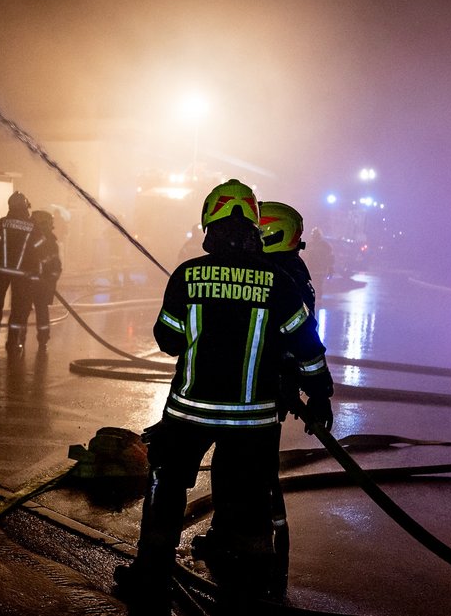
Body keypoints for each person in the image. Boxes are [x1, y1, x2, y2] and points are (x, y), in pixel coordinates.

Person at [113, 180, 334, 613]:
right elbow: (308, 349)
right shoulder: (280, 281)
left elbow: (169, 340)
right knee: (249, 502)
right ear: (254, 225)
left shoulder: (188, 274)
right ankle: (252, 591)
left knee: (166, 492)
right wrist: (320, 396)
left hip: (187, 415)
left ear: (208, 224)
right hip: (252, 421)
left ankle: (150, 577)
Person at [0, 192, 43, 357]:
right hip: (22, 275)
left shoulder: (2, 223)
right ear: (25, 207)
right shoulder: (32, 226)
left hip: (2, 271)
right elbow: (40, 248)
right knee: (18, 310)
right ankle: (13, 343)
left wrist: (7, 249)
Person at [8, 209, 62, 351]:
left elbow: (54, 265)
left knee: (24, 312)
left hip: (31, 283)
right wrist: (51, 281)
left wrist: (50, 280)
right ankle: (39, 340)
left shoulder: (29, 237)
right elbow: (55, 265)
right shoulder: (48, 241)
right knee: (36, 312)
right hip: (34, 283)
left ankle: (19, 339)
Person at [304, 227, 334, 305]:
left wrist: (330, 268)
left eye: (316, 235)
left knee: (318, 284)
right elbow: (304, 256)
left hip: (320, 269)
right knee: (312, 284)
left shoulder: (325, 246)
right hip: (311, 269)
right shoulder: (309, 245)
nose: (315, 237)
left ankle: (318, 300)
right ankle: (313, 299)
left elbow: (330, 258)